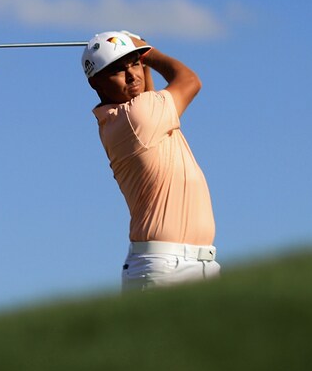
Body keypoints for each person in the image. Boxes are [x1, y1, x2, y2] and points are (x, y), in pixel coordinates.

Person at [82, 30, 219, 291]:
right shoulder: (137, 119)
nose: (132, 75)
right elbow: (190, 80)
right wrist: (147, 50)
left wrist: (137, 54)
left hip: (191, 263)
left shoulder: (129, 116)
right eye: (117, 70)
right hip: (164, 266)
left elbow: (146, 92)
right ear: (95, 83)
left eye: (134, 64)